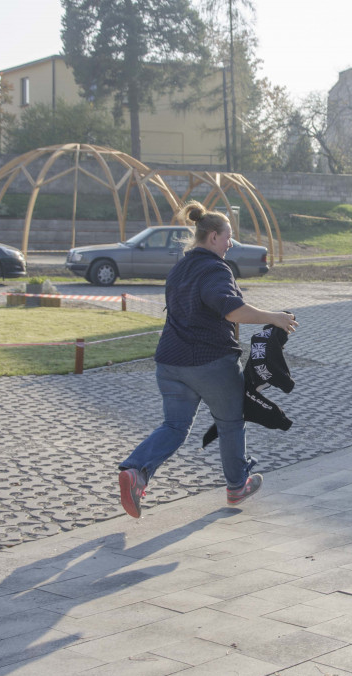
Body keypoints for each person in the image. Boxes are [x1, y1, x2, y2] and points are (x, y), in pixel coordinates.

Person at [117, 201, 298, 518]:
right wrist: (276, 317)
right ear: (213, 236)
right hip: (210, 363)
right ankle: (237, 485)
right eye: (228, 236)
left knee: (174, 426)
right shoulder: (215, 269)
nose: (231, 243)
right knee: (230, 423)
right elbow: (230, 308)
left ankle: (135, 471)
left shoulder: (180, 268)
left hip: (170, 364)